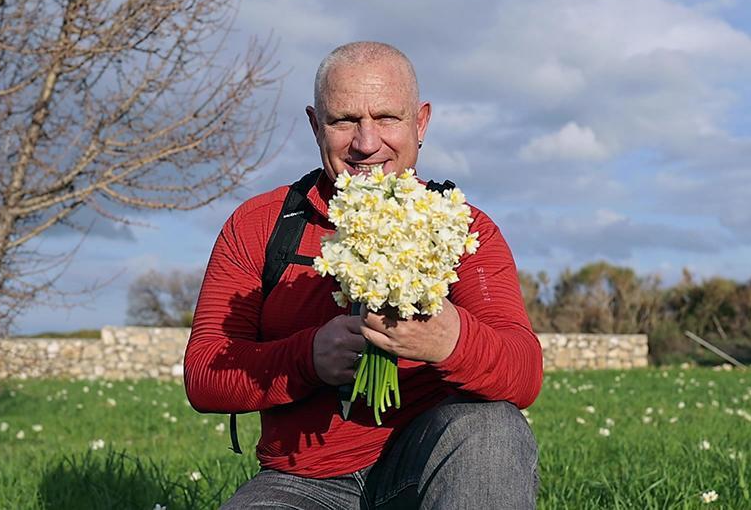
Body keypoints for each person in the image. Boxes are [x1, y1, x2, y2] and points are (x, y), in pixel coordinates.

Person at [185, 41, 543, 509]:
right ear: (316, 125)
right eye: (344, 120)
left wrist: (451, 340)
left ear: (421, 122)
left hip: (429, 466)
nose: (366, 143)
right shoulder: (260, 226)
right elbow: (205, 373)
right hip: (303, 480)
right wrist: (308, 358)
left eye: (388, 118)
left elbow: (524, 372)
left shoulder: (462, 227)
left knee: (493, 429)